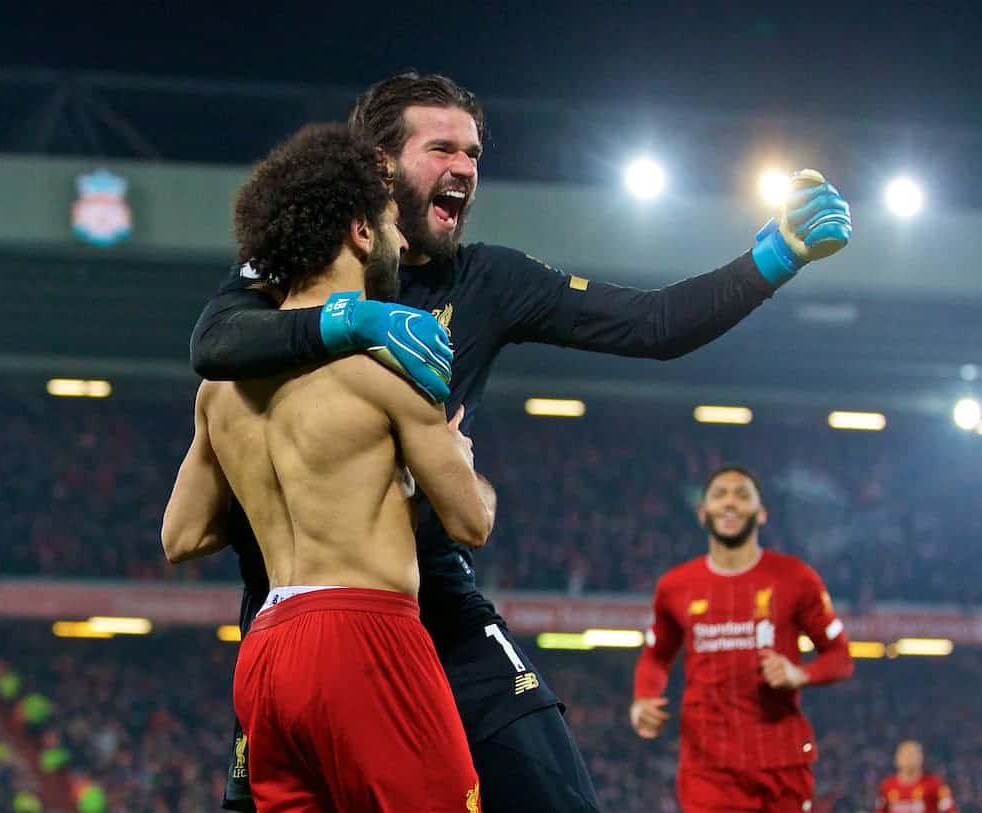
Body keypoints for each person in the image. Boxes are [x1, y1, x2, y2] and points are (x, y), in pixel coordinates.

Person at [189, 72, 853, 812]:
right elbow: (214, 340)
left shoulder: (487, 280)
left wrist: (772, 258)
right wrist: (352, 320)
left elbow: (651, 323)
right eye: (441, 147)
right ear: (379, 163)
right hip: (312, 613)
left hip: (434, 601)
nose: (465, 168)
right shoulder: (293, 270)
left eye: (473, 152)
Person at [162, 123, 493, 812]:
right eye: (392, 223)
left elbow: (182, 535)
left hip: (267, 653)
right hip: (366, 635)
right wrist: (455, 457)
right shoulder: (385, 367)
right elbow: (470, 520)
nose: (404, 242)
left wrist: (292, 483)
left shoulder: (218, 393)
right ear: (360, 233)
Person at [630, 466, 854, 813]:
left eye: (742, 494)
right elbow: (656, 656)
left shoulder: (795, 578)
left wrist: (800, 674)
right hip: (707, 769)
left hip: (781, 764)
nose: (730, 502)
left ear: (761, 513)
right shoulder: (676, 586)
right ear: (703, 513)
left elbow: (840, 656)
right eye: (720, 494)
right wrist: (644, 698)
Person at [876, 741, 957, 813]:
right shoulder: (887, 786)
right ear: (897, 758)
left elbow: (949, 810)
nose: (910, 759)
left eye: (914, 755)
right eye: (906, 755)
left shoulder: (935, 785)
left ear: (921, 758)